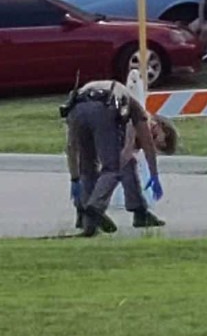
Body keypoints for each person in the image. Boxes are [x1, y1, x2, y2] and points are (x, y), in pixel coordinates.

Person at [61, 79, 179, 236]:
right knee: (113, 167)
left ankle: (87, 220)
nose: (152, 140)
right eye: (157, 137)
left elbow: (71, 147)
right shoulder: (138, 112)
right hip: (103, 107)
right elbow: (144, 147)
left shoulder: (122, 107)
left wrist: (75, 179)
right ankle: (95, 208)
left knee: (87, 167)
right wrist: (154, 175)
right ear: (158, 124)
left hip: (77, 107)